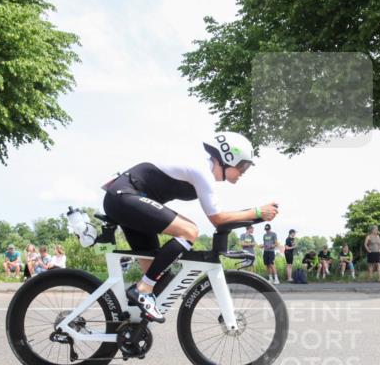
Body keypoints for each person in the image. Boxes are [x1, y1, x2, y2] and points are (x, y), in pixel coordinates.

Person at [96, 131, 278, 322]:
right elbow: (218, 219)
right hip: (123, 198)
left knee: (161, 280)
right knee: (189, 231)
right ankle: (142, 289)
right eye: (243, 166)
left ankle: (127, 326)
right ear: (227, 158)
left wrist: (256, 214)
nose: (243, 172)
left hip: (132, 205)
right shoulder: (202, 171)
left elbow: (222, 217)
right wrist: (257, 211)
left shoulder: (204, 173)